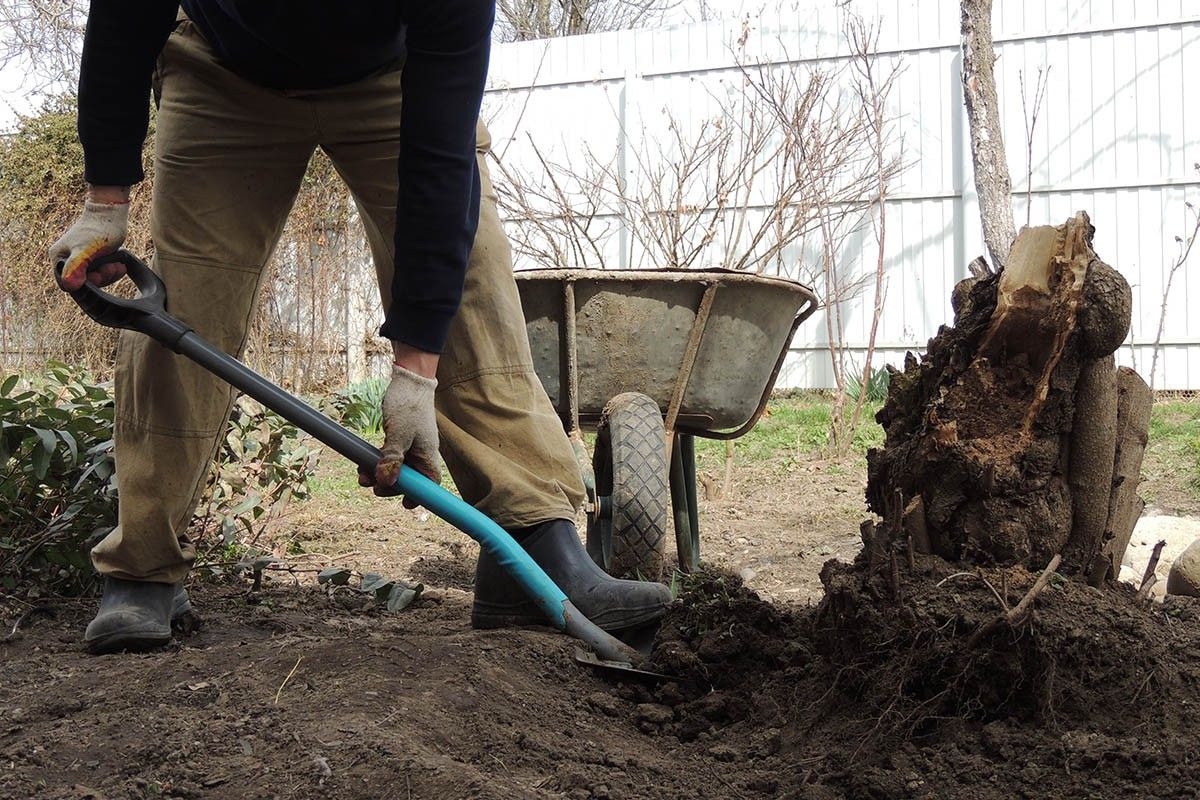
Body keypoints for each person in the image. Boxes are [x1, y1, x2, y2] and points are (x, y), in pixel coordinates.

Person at [51, 1, 671, 655]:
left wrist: (416, 371)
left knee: (471, 293)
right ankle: (144, 568)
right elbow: (125, 17)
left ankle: (535, 546)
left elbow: (440, 158)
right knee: (186, 307)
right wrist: (105, 201)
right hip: (222, 73)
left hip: (392, 76)